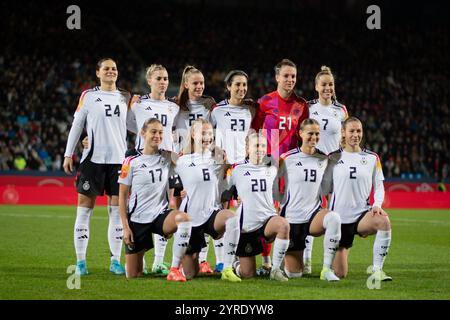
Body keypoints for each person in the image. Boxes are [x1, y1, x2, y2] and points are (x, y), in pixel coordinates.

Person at [63, 58, 131, 275]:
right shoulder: (88, 96)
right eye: (106, 68)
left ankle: (115, 261)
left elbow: (137, 127)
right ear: (98, 73)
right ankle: (81, 262)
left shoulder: (125, 97)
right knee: (84, 211)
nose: (111, 71)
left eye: (114, 68)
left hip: (119, 162)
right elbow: (77, 125)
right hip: (92, 160)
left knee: (116, 213)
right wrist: (68, 153)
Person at [251, 59, 309, 274]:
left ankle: (287, 260)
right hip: (267, 165)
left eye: (293, 76)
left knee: (288, 212)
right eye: (286, 76)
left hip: (291, 167)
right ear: (277, 77)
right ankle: (265, 260)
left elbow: (303, 136)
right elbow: (253, 132)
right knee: (266, 210)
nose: (290, 80)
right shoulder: (265, 102)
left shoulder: (302, 105)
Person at [118, 118, 192, 281]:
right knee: (133, 275)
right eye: (153, 132)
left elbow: (187, 155)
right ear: (143, 133)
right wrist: (125, 227)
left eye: (160, 132)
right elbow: (122, 196)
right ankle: (137, 259)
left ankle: (174, 269)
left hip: (160, 216)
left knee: (184, 219)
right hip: (138, 220)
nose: (157, 135)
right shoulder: (131, 161)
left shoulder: (168, 157)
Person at [322, 117, 392, 281]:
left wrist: (377, 205)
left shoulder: (372, 158)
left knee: (384, 221)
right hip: (339, 220)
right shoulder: (332, 158)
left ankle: (377, 270)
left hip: (362, 216)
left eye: (358, 131)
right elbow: (323, 188)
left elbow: (379, 185)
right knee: (340, 274)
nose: (355, 135)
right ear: (343, 133)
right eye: (351, 131)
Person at [128, 64, 180, 275]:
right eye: (158, 78)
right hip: (143, 163)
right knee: (139, 207)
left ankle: (159, 261)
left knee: (167, 206)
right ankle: (133, 253)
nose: (163, 82)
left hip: (167, 163)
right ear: (149, 80)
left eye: (166, 78)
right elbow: (129, 125)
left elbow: (177, 130)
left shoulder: (174, 107)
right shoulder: (138, 105)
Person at [175, 119, 241, 282]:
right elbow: (174, 189)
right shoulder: (181, 161)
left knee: (232, 218)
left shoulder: (218, 159)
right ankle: (185, 262)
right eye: (203, 133)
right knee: (191, 273)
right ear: (192, 134)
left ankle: (227, 267)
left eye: (210, 133)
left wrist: (225, 167)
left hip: (211, 214)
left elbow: (224, 187)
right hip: (191, 219)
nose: (207, 137)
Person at [172, 65, 222, 274]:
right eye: (195, 83)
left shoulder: (209, 106)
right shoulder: (174, 106)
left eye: (202, 82)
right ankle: (164, 261)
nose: (200, 86)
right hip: (182, 163)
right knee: (180, 207)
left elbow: (216, 132)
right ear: (186, 84)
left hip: (204, 160)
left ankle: (204, 260)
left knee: (209, 204)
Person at [279, 118, 341, 281]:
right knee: (295, 274)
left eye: (317, 134)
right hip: (291, 219)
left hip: (313, 216)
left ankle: (327, 270)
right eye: (310, 133)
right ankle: (280, 263)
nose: (314, 137)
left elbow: (328, 187)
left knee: (333, 218)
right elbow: (273, 183)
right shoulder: (286, 158)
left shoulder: (324, 159)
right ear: (300, 134)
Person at [303, 65, 349, 274]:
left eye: (330, 84)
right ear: (316, 86)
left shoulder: (341, 110)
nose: (328, 88)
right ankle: (306, 260)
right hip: (313, 164)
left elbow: (347, 137)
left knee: (335, 212)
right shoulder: (308, 108)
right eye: (324, 84)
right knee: (309, 210)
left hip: (336, 166)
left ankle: (330, 263)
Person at [227, 132, 290, 281]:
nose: (260, 149)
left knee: (283, 225)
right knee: (248, 274)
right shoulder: (237, 169)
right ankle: (237, 264)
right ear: (247, 148)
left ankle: (275, 270)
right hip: (247, 226)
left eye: (263, 145)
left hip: (267, 220)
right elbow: (224, 189)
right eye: (256, 145)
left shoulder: (273, 166)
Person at [211, 70, 255, 165]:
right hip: (222, 163)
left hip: (243, 163)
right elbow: (206, 132)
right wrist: (214, 149)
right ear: (229, 86)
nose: (242, 88)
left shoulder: (251, 109)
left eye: (244, 84)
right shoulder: (218, 109)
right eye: (238, 84)